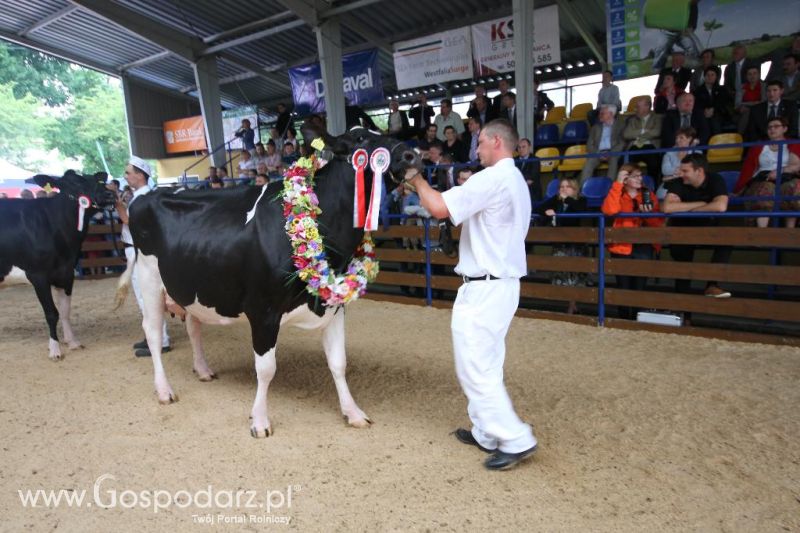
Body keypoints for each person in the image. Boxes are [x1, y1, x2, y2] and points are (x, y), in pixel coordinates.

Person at [404, 119, 538, 471]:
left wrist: (415, 178)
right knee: (486, 362)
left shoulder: (492, 178)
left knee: (475, 366)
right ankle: (486, 432)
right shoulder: (515, 181)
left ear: (496, 142)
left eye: (480, 143)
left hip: (486, 286)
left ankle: (515, 437)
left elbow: (437, 208)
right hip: (499, 283)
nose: (475, 149)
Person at [116, 156, 171, 357]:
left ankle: (160, 340)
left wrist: (119, 206)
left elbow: (131, 223)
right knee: (144, 296)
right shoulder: (141, 196)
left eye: (129, 173)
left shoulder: (144, 197)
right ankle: (152, 336)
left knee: (146, 296)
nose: (126, 176)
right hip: (137, 249)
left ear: (140, 175)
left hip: (141, 251)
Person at [662, 153, 732, 301]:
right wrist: (701, 204)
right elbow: (667, 208)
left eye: (685, 171)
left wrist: (685, 208)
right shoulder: (678, 182)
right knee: (682, 262)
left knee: (726, 240)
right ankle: (684, 311)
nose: (681, 174)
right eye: (681, 170)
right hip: (682, 231)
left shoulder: (715, 179)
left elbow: (720, 206)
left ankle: (712, 285)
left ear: (699, 171)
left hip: (707, 228)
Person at [601, 165, 664, 320]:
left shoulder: (648, 194)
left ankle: (636, 319)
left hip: (643, 245)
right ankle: (623, 319)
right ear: (625, 178)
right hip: (622, 246)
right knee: (623, 285)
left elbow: (658, 223)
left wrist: (647, 216)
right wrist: (617, 183)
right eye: (635, 176)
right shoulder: (618, 193)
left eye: (640, 176)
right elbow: (609, 210)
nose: (639, 179)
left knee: (639, 286)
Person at [734, 117, 800, 228]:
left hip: (786, 177)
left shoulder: (793, 144)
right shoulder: (759, 146)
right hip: (763, 178)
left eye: (776, 126)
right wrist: (739, 190)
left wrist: (779, 171)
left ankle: (791, 232)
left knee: (795, 187)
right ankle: (762, 233)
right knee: (766, 189)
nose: (772, 129)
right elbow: (748, 170)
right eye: (769, 127)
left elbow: (796, 166)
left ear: (785, 129)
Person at [536, 177, 588, 314]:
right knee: (562, 272)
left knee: (575, 274)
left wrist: (567, 199)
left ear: (575, 189)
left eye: (568, 187)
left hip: (576, 244)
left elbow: (580, 212)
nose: (564, 189)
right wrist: (547, 213)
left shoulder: (581, 200)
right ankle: (570, 302)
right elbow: (540, 207)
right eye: (561, 187)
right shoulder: (556, 200)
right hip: (560, 242)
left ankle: (572, 304)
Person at [651, 1, 702, 73]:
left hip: (682, 31)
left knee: (692, 47)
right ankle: (657, 69)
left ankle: (695, 68)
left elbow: (693, 20)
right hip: (667, 31)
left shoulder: (692, 5)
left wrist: (690, 29)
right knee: (661, 48)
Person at [623, 96, 663, 181]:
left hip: (651, 146)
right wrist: (643, 131)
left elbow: (657, 132)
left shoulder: (657, 118)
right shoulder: (632, 120)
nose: (635, 109)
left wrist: (636, 133)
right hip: (634, 147)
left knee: (654, 164)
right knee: (628, 166)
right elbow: (626, 134)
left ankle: (653, 188)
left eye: (638, 107)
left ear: (647, 107)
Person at [581, 104, 624, 182]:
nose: (599, 115)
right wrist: (598, 153)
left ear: (611, 114)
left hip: (612, 153)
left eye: (602, 113)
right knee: (589, 163)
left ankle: (610, 189)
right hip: (597, 153)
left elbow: (622, 143)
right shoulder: (595, 127)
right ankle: (583, 189)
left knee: (614, 161)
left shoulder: (620, 126)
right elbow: (589, 145)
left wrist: (611, 153)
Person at [659, 126, 700, 199]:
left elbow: (695, 172)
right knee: (661, 195)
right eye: (676, 138)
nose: (678, 140)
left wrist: (671, 177)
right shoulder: (669, 153)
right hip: (671, 185)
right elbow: (665, 171)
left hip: (689, 184)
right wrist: (679, 160)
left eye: (681, 138)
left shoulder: (697, 152)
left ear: (689, 139)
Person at [691, 68, 731, 136]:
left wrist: (713, 109)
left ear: (716, 77)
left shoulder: (722, 89)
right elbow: (696, 104)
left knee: (714, 121)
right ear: (704, 77)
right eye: (708, 75)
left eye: (712, 75)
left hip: (719, 114)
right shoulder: (698, 91)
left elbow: (723, 102)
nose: (710, 77)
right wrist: (704, 110)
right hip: (703, 115)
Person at [735, 66, 765, 135]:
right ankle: (741, 136)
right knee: (748, 112)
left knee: (753, 112)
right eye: (750, 74)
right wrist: (754, 103)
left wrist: (746, 104)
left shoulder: (764, 86)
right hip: (744, 111)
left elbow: (764, 102)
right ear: (746, 76)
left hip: (760, 110)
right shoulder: (741, 87)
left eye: (755, 73)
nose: (752, 76)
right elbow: (737, 104)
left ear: (759, 75)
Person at [516, 137, 541, 202]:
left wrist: (517, 180)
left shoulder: (535, 160)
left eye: (523, 147)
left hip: (532, 192)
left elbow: (533, 176)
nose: (521, 149)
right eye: (519, 147)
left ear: (529, 147)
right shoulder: (513, 160)